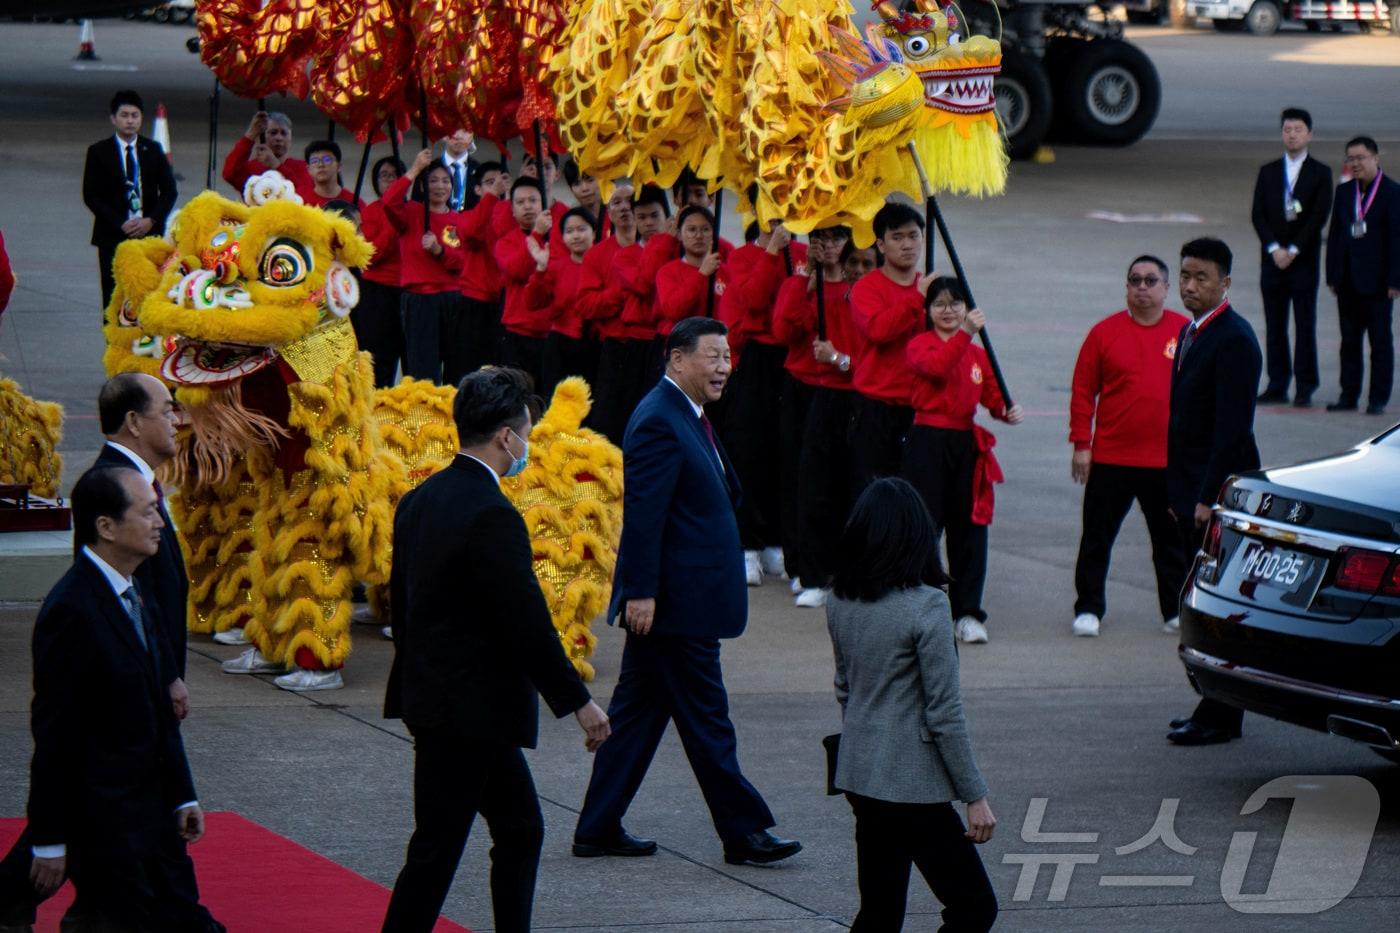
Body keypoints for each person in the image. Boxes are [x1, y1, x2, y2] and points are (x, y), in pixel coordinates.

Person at [382, 368, 609, 933]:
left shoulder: (419, 499)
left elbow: (401, 606)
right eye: (526, 430)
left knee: (518, 829)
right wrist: (578, 701)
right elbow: (525, 622)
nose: (527, 443)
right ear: (507, 437)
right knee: (439, 850)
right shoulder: (493, 514)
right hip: (471, 713)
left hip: (436, 702)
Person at [573, 317, 802, 866]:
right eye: (714, 356)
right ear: (678, 359)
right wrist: (643, 593)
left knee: (636, 716)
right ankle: (743, 832)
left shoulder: (687, 412)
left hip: (683, 600)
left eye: (728, 357)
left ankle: (598, 826)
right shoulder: (658, 418)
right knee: (707, 720)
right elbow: (646, 515)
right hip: (675, 605)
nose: (725, 367)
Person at [0, 467, 222, 933]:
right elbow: (56, 735)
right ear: (106, 527)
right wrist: (49, 840)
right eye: (148, 512)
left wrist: (183, 794)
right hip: (104, 823)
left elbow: (161, 714)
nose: (161, 520)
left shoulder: (135, 589)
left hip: (154, 816)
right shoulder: (71, 610)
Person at [827, 477, 997, 933]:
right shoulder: (927, 607)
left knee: (880, 912)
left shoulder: (840, 599)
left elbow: (845, 687)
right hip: (911, 786)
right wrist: (974, 795)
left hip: (860, 773)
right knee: (974, 906)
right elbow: (944, 713)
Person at [1165, 237, 1261, 746]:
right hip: (1188, 489)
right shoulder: (1190, 332)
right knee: (1198, 599)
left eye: (1201, 278)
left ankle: (1223, 713)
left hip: (1217, 495)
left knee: (1218, 606)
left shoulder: (1235, 339)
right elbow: (1182, 420)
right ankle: (1212, 704)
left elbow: (1231, 431)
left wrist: (1206, 497)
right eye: (1184, 275)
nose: (1189, 286)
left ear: (1225, 283)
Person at [1068, 256, 1190, 638]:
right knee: (1096, 538)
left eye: (1150, 280)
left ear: (1166, 289)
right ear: (1126, 287)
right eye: (1134, 280)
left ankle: (1174, 610)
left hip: (1165, 461)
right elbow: (1083, 392)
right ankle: (1088, 608)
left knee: (1170, 543)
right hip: (1111, 458)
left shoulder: (1186, 332)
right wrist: (1081, 445)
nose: (1141, 287)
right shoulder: (1104, 333)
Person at [903, 278, 1023, 645]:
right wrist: (966, 334)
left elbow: (989, 395)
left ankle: (968, 612)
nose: (948, 310)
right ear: (927, 310)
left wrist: (1005, 410)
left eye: (956, 303)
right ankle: (923, 605)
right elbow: (937, 368)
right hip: (927, 442)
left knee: (970, 528)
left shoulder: (976, 353)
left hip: (964, 442)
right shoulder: (920, 345)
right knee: (925, 523)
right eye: (939, 303)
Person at [720, 222, 810, 586]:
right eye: (772, 216)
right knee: (750, 451)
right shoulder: (742, 258)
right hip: (758, 358)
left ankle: (779, 540)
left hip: (795, 356)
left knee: (787, 450)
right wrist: (772, 251)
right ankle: (748, 546)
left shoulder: (804, 256)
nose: (780, 224)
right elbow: (754, 300)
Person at [93, 373, 191, 698]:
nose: (177, 421)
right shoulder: (114, 486)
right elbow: (132, 597)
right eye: (166, 412)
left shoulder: (136, 481)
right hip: (139, 688)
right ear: (134, 422)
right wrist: (166, 676)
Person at [771, 225, 853, 605]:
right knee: (800, 477)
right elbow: (783, 329)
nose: (828, 246)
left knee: (839, 481)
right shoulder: (803, 281)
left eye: (836, 239)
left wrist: (837, 358)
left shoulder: (857, 284)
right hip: (803, 384)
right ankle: (806, 563)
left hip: (844, 389)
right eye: (820, 239)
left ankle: (841, 563)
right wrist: (803, 284)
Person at [1251, 108, 1333, 408]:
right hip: (1273, 261)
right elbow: (1257, 214)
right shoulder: (1269, 171)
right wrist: (1274, 249)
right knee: (1275, 325)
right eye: (1287, 129)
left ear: (1310, 134)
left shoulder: (1320, 173)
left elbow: (1318, 216)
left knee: (1305, 324)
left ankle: (1305, 385)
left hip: (1303, 261)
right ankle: (1277, 382)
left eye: (1298, 129)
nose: (1292, 134)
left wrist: (1294, 250)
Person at [847, 203, 930, 491]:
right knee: (877, 490)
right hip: (877, 407)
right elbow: (878, 330)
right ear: (881, 245)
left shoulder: (932, 288)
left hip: (920, 406)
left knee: (919, 491)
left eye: (913, 235)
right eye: (897, 237)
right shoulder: (866, 288)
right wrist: (917, 300)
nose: (907, 244)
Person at [590, 185, 674, 442]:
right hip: (630, 346)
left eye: (654, 216)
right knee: (618, 416)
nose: (648, 223)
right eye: (642, 217)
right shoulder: (624, 256)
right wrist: (663, 241)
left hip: (664, 344)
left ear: (667, 217)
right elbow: (645, 282)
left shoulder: (679, 249)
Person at [1325, 135, 1400, 416]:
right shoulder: (1345, 193)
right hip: (1347, 281)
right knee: (1349, 342)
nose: (1355, 164)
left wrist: (1395, 280)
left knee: (1380, 342)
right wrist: (1332, 273)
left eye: (1360, 158)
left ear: (1375, 159)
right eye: (1351, 159)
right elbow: (1334, 236)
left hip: (1379, 283)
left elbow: (1397, 239)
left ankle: (1378, 397)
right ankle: (1349, 394)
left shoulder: (1392, 192)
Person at [83, 89, 177, 309]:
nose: (130, 121)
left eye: (134, 116)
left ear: (141, 119)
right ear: (113, 119)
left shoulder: (153, 150)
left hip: (148, 234)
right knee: (113, 294)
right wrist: (120, 222)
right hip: (113, 235)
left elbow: (170, 192)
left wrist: (151, 220)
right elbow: (91, 196)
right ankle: (113, 340)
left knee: (147, 291)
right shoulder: (98, 152)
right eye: (124, 115)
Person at [382, 149, 468, 386]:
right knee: (423, 369)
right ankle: (426, 419)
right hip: (421, 300)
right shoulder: (411, 213)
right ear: (422, 185)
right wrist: (415, 168)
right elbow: (389, 201)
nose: (440, 186)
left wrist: (440, 251)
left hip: (453, 298)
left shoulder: (460, 220)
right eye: (432, 180)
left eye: (445, 181)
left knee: (456, 366)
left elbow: (464, 262)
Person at [526, 205, 599, 400]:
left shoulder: (604, 263)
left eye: (581, 229)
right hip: (560, 344)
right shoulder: (557, 267)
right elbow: (532, 302)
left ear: (594, 232)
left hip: (594, 344)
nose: (576, 236)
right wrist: (540, 268)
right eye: (569, 231)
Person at [495, 178, 556, 387]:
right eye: (520, 202)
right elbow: (518, 270)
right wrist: (537, 233)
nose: (528, 206)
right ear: (512, 210)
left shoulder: (559, 238)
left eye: (533, 200)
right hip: (518, 331)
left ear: (544, 204)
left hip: (552, 330)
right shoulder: (506, 242)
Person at [457, 160, 511, 379]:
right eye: (490, 182)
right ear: (477, 189)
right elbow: (470, 233)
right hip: (475, 300)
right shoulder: (468, 216)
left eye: (502, 181)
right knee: (471, 367)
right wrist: (492, 197)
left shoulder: (513, 214)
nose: (497, 186)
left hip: (505, 300)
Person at [357, 156, 408, 387]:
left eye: (394, 175)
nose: (389, 180)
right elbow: (371, 255)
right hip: (377, 292)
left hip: (408, 292)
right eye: (384, 175)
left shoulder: (414, 209)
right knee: (379, 361)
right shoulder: (370, 212)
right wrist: (393, 224)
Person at [221, 111, 311, 198]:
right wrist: (250, 135)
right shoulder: (251, 167)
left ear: (290, 138)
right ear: (263, 136)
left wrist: (277, 166)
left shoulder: (303, 167)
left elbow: (304, 194)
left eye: (284, 133)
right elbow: (229, 174)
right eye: (273, 132)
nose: (279, 138)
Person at [302, 139, 364, 209]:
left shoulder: (355, 202)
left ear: (338, 166)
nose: (320, 165)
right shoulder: (299, 200)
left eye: (327, 160)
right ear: (308, 169)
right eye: (314, 161)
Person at [440, 129, 478, 211]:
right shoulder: (428, 169)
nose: (459, 136)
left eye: (465, 131)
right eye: (454, 129)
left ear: (472, 136)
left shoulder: (480, 171)